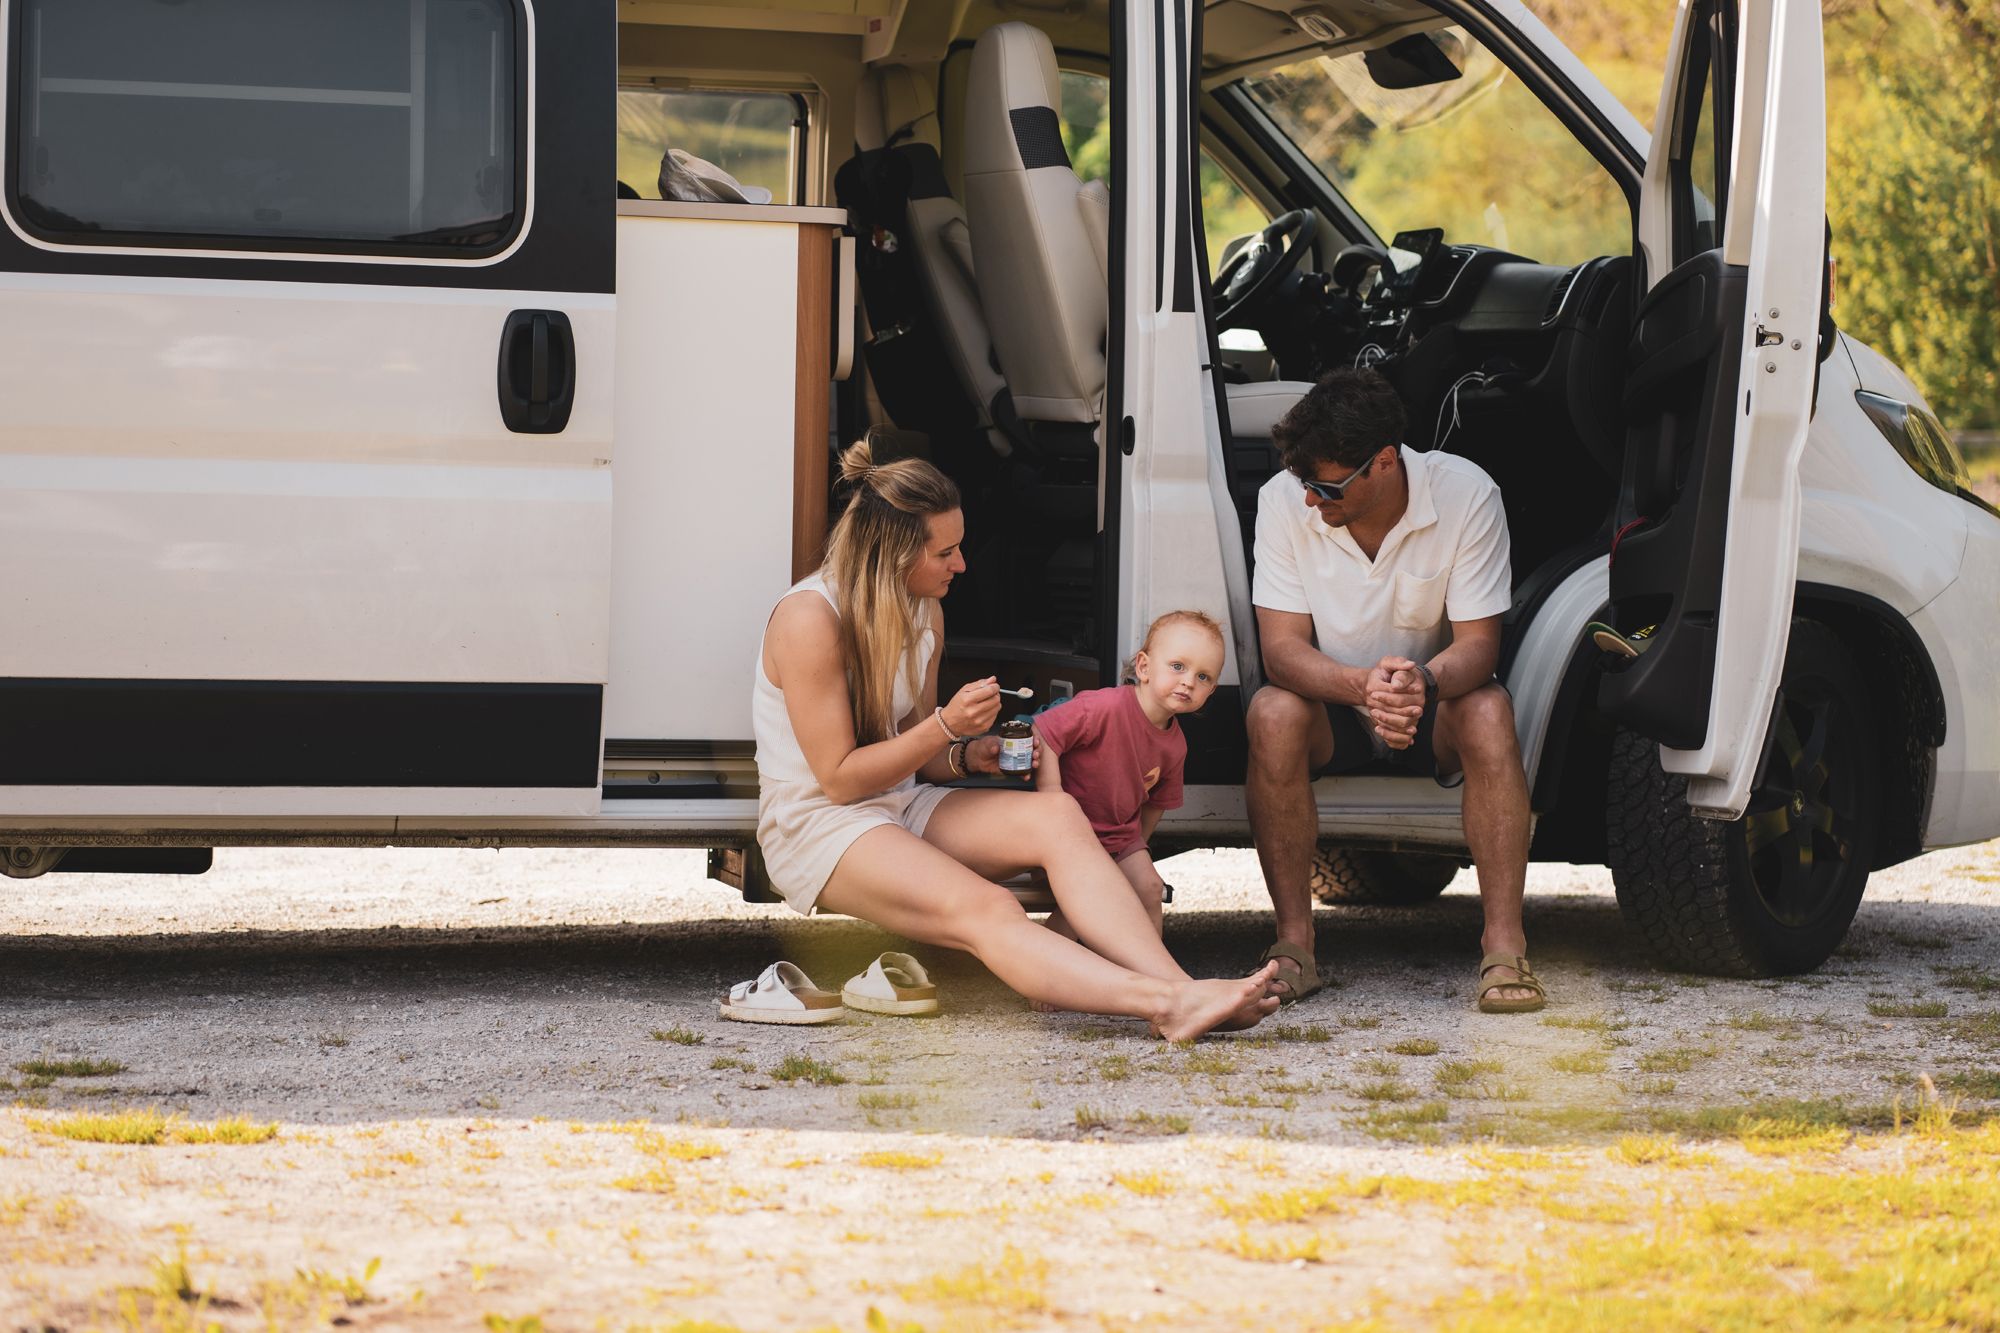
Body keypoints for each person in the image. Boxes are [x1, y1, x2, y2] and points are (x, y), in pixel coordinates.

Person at [754, 440, 1279, 1040]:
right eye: (945, 551)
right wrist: (945, 726)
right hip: (822, 823)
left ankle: (1183, 991)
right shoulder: (810, 620)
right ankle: (1161, 1004)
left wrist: (965, 753)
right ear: (894, 553)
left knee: (1056, 814)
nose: (961, 565)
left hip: (897, 803)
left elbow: (918, 761)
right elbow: (840, 778)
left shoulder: (923, 608)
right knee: (991, 908)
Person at [1244, 368, 1546, 1013]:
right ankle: (1294, 947)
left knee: (1489, 708)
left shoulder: (1466, 494)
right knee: (1272, 712)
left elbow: (1479, 647)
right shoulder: (1282, 499)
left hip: (1431, 703)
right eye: (1304, 483)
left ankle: (1504, 949)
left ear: (1383, 462)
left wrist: (1422, 683)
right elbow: (1281, 651)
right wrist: (1360, 686)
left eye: (1325, 486)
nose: (1309, 500)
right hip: (1335, 704)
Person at [1034, 610, 1226, 937]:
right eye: (1178, 666)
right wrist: (1052, 797)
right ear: (1144, 667)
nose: (1189, 681)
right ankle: (1043, 970)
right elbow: (1044, 731)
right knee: (1079, 908)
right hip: (1072, 833)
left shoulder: (1175, 744)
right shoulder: (1105, 707)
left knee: (1150, 888)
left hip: (1118, 838)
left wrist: (1136, 846)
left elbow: (1156, 804)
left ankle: (1151, 977)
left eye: (1204, 677)